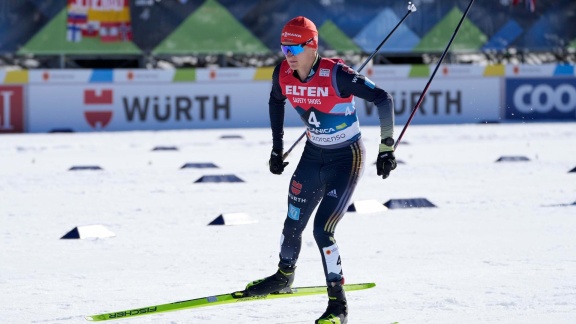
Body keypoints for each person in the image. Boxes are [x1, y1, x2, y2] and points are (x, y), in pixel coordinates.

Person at [243, 16, 396, 324]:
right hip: (313, 157)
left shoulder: (336, 74)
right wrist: (276, 148)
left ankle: (338, 308)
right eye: (284, 46)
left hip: (346, 158)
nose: (289, 54)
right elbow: (276, 102)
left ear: (312, 46)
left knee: (322, 230)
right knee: (292, 223)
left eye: (296, 46)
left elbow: (383, 98)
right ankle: (284, 277)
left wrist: (386, 147)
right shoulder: (282, 74)